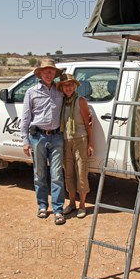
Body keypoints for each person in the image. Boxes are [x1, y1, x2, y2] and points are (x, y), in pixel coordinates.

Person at [21, 59, 66, 225]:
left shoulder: (60, 91)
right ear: (40, 73)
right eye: (45, 71)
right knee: (39, 174)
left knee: (57, 175)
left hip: (57, 137)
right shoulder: (31, 92)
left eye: (51, 71)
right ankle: (42, 205)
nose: (48, 73)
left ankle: (58, 209)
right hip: (37, 137)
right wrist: (25, 140)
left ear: (55, 73)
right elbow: (25, 118)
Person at [57, 74, 94, 219]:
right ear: (62, 88)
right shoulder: (61, 102)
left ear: (75, 86)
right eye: (65, 85)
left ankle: (82, 205)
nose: (68, 88)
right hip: (65, 140)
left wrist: (91, 143)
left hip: (80, 140)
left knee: (81, 172)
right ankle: (71, 203)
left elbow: (88, 124)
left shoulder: (80, 101)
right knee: (69, 173)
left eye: (70, 85)